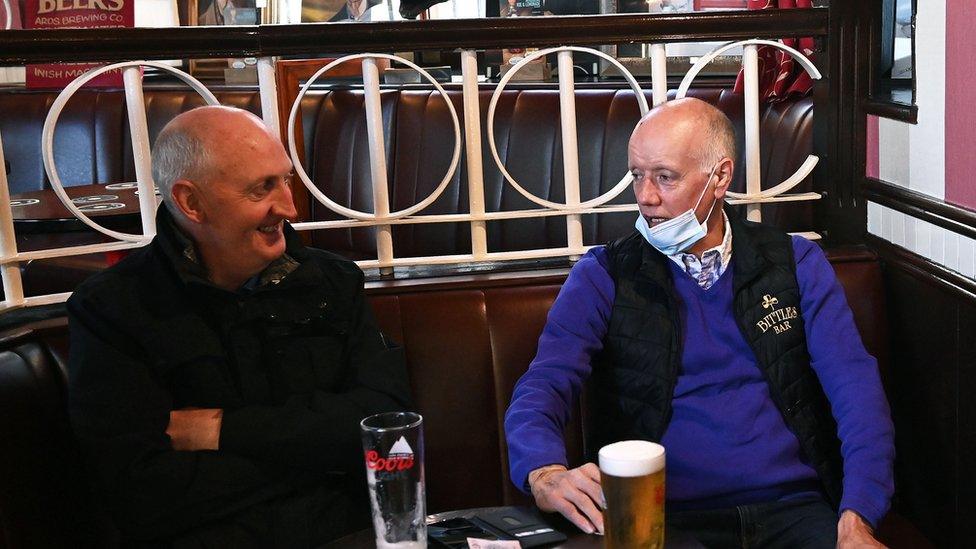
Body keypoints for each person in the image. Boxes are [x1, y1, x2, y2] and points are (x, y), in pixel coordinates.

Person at [504, 98, 894, 548]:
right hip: (664, 517)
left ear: (720, 177)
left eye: (665, 177)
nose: (646, 196)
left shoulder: (795, 263)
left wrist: (857, 516)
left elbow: (856, 391)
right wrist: (544, 471)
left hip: (794, 509)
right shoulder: (603, 275)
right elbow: (544, 384)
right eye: (637, 176)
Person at [67, 106, 413, 547]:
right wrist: (320, 454)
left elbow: (389, 427)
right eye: (262, 188)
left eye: (285, 179)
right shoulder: (113, 310)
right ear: (192, 202)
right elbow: (141, 494)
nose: (289, 207)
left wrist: (220, 431)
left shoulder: (332, 282)